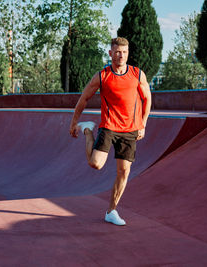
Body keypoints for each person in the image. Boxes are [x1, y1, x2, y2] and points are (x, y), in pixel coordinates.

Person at [69, 37, 151, 226]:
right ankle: (88, 131)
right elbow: (83, 99)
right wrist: (74, 123)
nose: (120, 55)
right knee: (95, 164)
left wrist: (143, 124)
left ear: (128, 53)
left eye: (124, 52)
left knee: (124, 171)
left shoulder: (138, 75)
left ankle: (111, 211)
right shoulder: (102, 76)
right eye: (117, 52)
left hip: (130, 129)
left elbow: (147, 99)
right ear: (110, 53)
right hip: (109, 126)